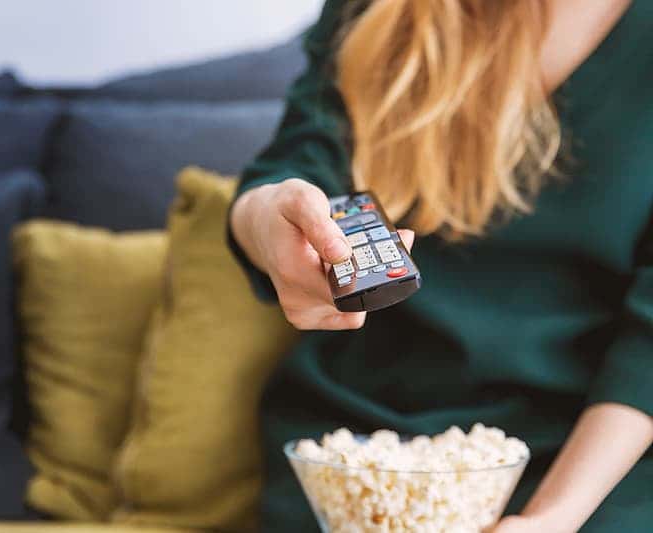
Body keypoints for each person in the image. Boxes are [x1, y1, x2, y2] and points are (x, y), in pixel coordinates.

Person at [228, 0, 653, 531]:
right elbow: (292, 166)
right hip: (363, 443)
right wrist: (267, 221)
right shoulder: (379, 11)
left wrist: (551, 517)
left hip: (590, 459)